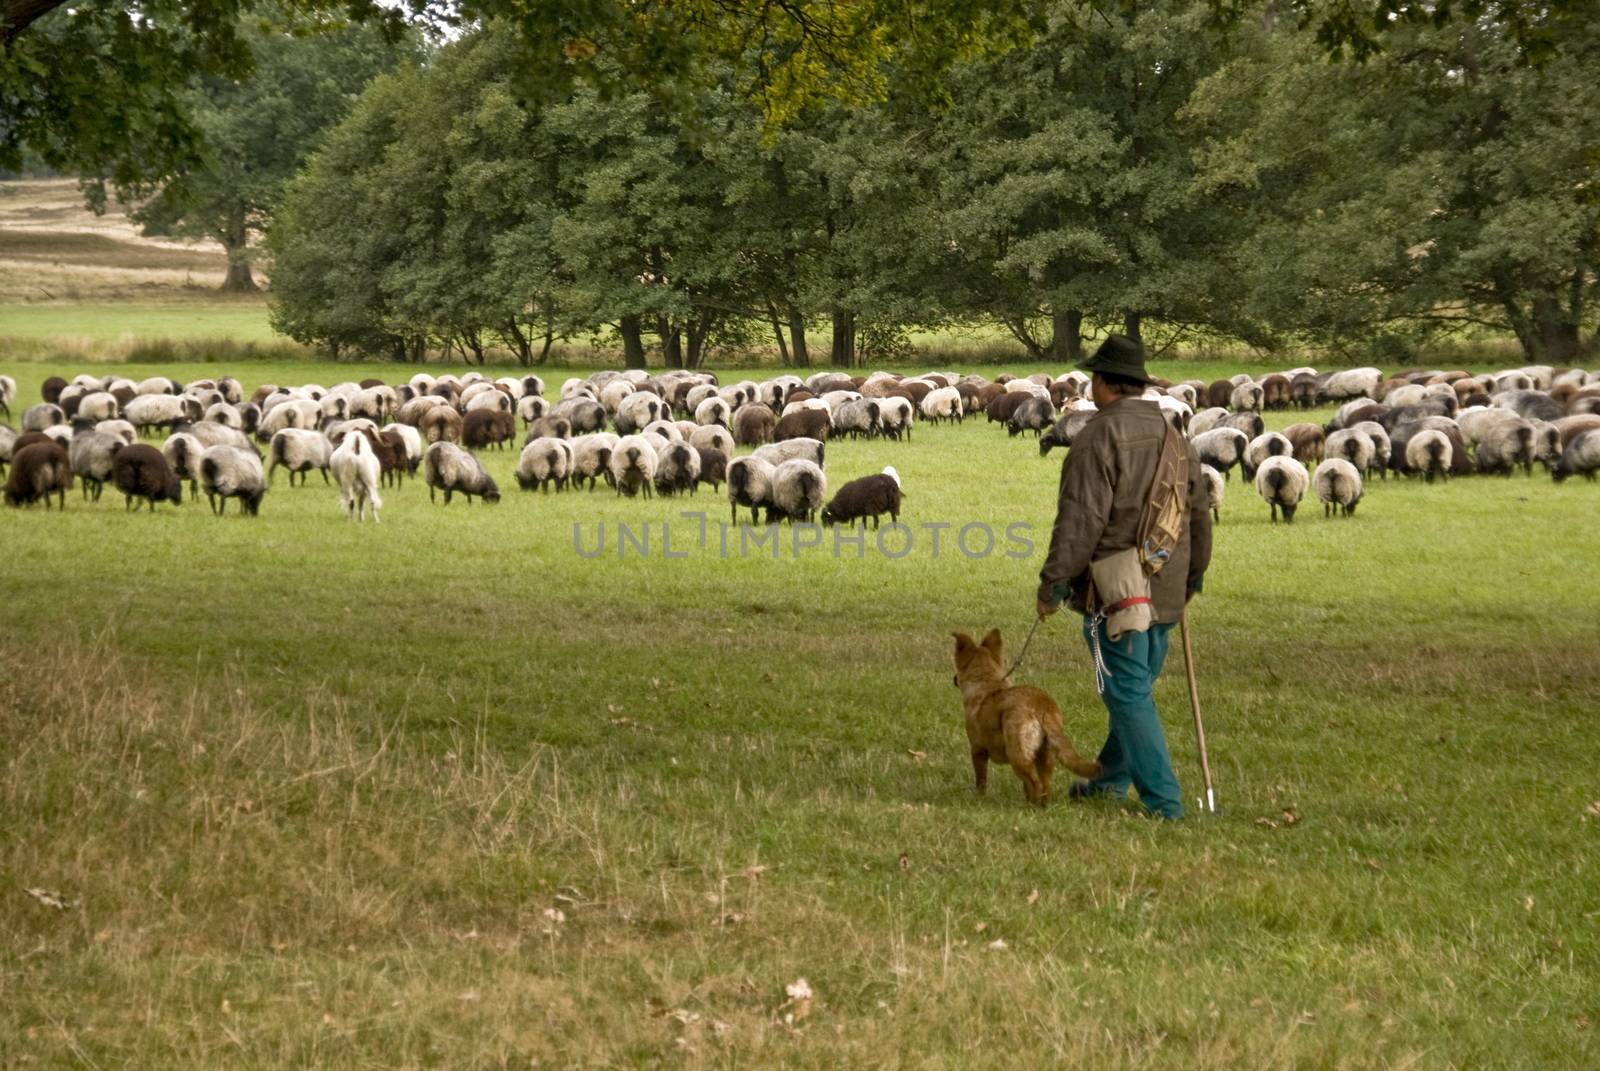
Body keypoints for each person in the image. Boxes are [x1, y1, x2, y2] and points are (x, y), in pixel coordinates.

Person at [1034, 335, 1212, 819]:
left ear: (1102, 384)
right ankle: (1109, 782)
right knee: (1134, 687)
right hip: (1168, 583)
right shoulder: (1177, 437)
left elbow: (1081, 521)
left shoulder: (1096, 437)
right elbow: (1198, 514)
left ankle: (1164, 803)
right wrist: (1193, 577)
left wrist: (1053, 583)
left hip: (1118, 589)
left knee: (1127, 692)